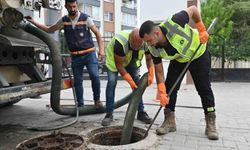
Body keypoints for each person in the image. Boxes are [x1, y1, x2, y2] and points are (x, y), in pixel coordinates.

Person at [139, 5, 219, 140]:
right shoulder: (153, 48)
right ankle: (170, 121)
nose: (148, 44)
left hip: (198, 53)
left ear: (156, 33)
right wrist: (161, 90)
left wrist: (201, 29)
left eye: (149, 40)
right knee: (170, 88)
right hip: (180, 59)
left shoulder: (175, 21)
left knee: (204, 89)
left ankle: (210, 123)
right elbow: (159, 71)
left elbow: (193, 9)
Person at [26, 0, 104, 108]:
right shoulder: (64, 20)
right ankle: (80, 106)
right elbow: (49, 30)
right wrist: (33, 22)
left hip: (89, 54)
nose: (73, 9)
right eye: (70, 7)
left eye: (74, 6)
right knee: (77, 81)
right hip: (75, 56)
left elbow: (98, 34)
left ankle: (97, 101)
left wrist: (101, 50)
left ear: (76, 5)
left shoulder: (86, 18)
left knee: (95, 76)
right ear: (66, 6)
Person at [101, 28, 154, 126]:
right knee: (112, 83)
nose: (136, 47)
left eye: (139, 45)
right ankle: (109, 114)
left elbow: (149, 59)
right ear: (129, 38)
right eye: (134, 44)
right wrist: (129, 81)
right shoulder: (120, 42)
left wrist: (151, 73)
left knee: (137, 85)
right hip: (115, 61)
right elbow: (119, 66)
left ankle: (141, 112)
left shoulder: (145, 42)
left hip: (131, 59)